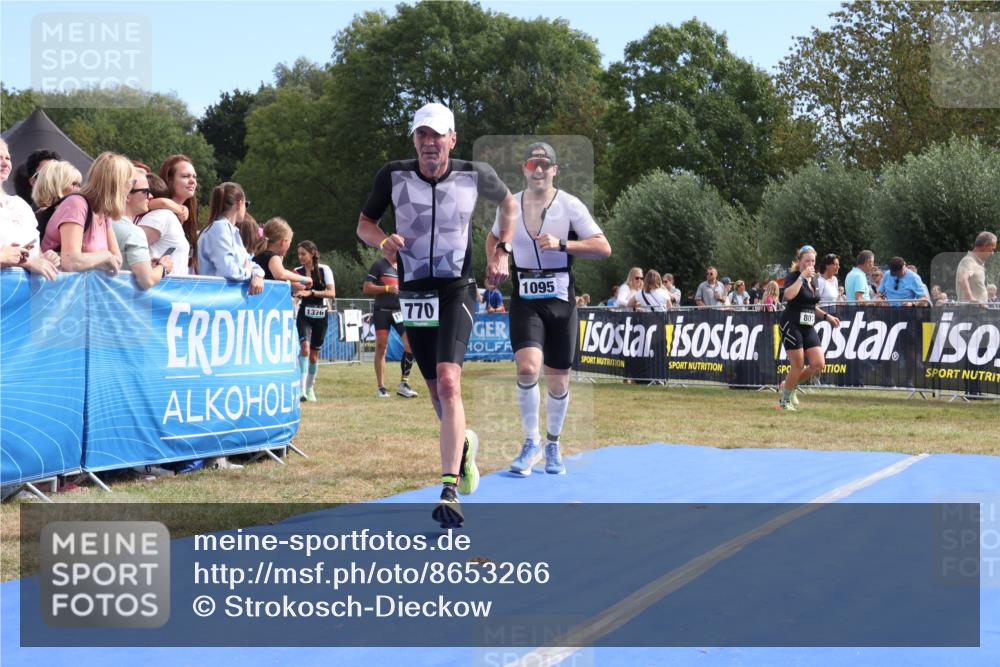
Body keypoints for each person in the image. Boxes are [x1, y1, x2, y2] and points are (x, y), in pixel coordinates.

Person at [357, 102, 517, 527]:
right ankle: (463, 446)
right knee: (433, 389)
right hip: (415, 291)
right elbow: (364, 224)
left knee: (449, 381)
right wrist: (382, 242)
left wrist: (502, 249)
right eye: (421, 135)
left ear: (452, 139)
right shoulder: (393, 174)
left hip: (456, 287)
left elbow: (509, 204)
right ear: (414, 139)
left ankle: (449, 488)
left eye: (436, 135)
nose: (429, 143)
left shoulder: (474, 172)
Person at [486, 141, 611, 477]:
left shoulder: (570, 205)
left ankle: (553, 444)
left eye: (545, 164)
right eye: (532, 164)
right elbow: (493, 237)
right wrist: (496, 258)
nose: (538, 170)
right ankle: (531, 442)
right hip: (526, 299)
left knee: (558, 382)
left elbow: (603, 247)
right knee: (527, 369)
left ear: (555, 170)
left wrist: (563, 244)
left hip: (561, 299)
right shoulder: (510, 205)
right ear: (525, 170)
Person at [775, 245, 841, 411]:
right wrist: (801, 278)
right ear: (799, 261)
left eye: (813, 261)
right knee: (797, 365)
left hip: (807, 325)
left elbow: (811, 306)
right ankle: (784, 402)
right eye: (807, 261)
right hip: (791, 324)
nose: (810, 264)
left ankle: (788, 385)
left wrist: (827, 316)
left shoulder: (815, 279)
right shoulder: (794, 276)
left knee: (818, 364)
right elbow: (788, 296)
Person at [41, 151, 125, 275]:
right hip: (56, 288)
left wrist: (103, 258)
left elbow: (117, 260)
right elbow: (71, 262)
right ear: (116, 184)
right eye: (130, 182)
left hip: (81, 290)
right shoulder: (77, 204)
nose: (131, 187)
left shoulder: (104, 213)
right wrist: (105, 256)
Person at [363, 248, 418, 399]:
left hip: (400, 312)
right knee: (382, 347)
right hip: (382, 311)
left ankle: (404, 384)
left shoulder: (404, 269)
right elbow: (366, 287)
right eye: (398, 253)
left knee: (410, 345)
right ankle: (381, 387)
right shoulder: (379, 265)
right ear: (390, 252)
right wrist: (387, 288)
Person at [0, 139, 59, 279]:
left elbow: (35, 254)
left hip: (26, 296)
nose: (5, 162)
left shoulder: (20, 205)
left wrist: (45, 258)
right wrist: (2, 257)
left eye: (7, 158)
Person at [111, 168, 174, 289]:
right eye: (145, 191)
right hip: (123, 303)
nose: (150, 196)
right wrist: (163, 267)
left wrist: (144, 263)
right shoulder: (134, 232)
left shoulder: (103, 222)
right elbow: (147, 280)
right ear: (127, 195)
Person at [139, 155, 198, 275]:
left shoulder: (174, 216)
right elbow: (130, 247)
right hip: (155, 290)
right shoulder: (162, 215)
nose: (192, 181)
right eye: (185, 176)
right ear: (169, 180)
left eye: (194, 176)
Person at [294, 240, 336, 401]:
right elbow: (293, 289)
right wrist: (296, 293)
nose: (301, 257)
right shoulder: (297, 271)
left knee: (313, 355)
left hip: (321, 315)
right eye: (299, 254)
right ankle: (301, 390)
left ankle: (310, 389)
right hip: (304, 314)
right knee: (304, 348)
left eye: (303, 254)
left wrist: (312, 293)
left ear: (312, 253)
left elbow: (332, 293)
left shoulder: (324, 270)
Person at [955, 231, 996, 304]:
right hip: (970, 312)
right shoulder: (969, 261)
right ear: (985, 246)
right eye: (992, 249)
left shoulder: (977, 263)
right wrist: (971, 299)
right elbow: (962, 279)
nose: (992, 253)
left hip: (977, 311)